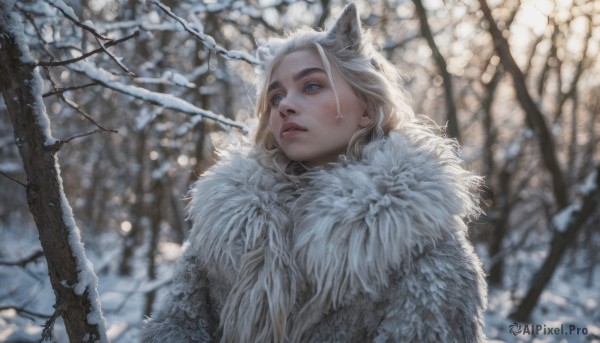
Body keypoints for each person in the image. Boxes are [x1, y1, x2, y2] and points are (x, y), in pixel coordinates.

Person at [142, 3, 487, 342]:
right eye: (275, 97)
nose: (285, 105)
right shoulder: (224, 220)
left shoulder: (419, 232)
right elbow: (178, 325)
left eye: (311, 86)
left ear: (366, 110)